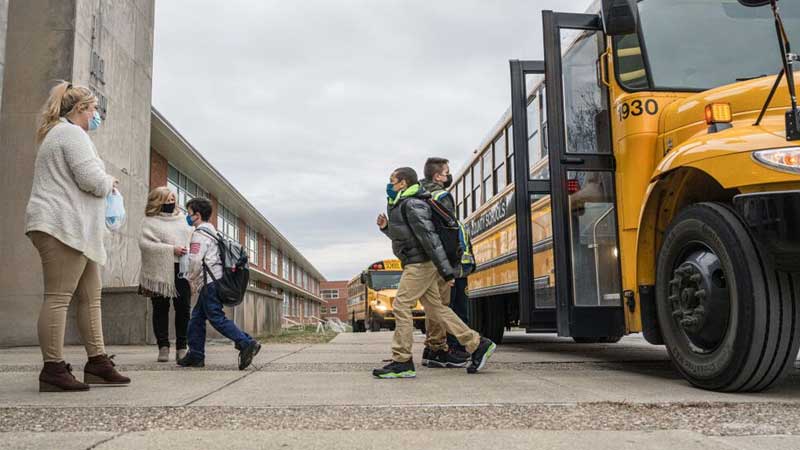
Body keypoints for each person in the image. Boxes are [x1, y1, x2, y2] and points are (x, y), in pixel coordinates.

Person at [25, 81, 130, 392]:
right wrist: (109, 180)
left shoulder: (62, 133)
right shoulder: (70, 133)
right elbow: (91, 179)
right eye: (94, 109)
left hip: (75, 230)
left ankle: (97, 362)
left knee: (89, 296)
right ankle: (53, 369)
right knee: (58, 297)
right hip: (61, 226)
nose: (97, 115)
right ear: (81, 109)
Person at [372, 167, 495, 379]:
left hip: (420, 264)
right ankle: (477, 344)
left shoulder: (413, 204)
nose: (389, 185)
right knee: (435, 308)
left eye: (392, 181)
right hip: (420, 262)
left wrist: (447, 272)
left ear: (403, 183)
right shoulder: (403, 203)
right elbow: (408, 237)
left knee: (401, 305)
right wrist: (386, 228)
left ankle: (402, 361)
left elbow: (430, 239)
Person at [177, 197, 261, 370]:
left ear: (197, 215)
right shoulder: (213, 233)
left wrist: (189, 279)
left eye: (189, 213)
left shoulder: (199, 234)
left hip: (209, 283)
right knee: (197, 318)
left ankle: (246, 342)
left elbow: (194, 261)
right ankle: (196, 355)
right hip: (215, 281)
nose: (188, 216)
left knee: (216, 317)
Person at [419, 157, 475, 368]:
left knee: (434, 306)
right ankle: (440, 349)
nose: (448, 175)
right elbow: (448, 233)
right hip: (443, 260)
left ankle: (434, 349)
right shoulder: (441, 196)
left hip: (427, 258)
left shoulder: (419, 193)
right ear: (437, 176)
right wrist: (449, 268)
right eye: (446, 172)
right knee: (443, 306)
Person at [138, 187, 193, 362]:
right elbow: (145, 245)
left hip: (181, 269)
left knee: (183, 309)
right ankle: (163, 347)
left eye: (173, 199)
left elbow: (192, 239)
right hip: (159, 271)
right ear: (158, 202)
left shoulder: (183, 220)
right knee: (160, 309)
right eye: (167, 200)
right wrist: (171, 249)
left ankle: (182, 347)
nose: (171, 203)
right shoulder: (150, 221)